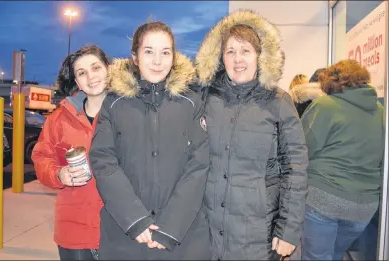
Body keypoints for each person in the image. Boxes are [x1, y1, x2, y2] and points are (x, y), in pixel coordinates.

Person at [88, 21, 210, 260]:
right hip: (126, 235)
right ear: (135, 56)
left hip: (182, 238)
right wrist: (135, 219)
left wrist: (172, 226)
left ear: (173, 57)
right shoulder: (114, 103)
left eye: (165, 52)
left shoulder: (191, 103)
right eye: (149, 51)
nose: (157, 61)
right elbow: (104, 161)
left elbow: (199, 166)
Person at [195, 9, 308, 260]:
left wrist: (288, 229)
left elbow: (295, 168)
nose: (238, 59)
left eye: (245, 50)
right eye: (230, 51)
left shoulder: (278, 102)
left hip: (257, 234)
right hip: (209, 230)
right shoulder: (206, 97)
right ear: (219, 57)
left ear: (259, 56)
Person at [300, 59, 384, 260]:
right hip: (364, 206)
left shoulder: (325, 105)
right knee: (335, 254)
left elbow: (301, 149)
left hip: (323, 199)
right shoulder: (381, 112)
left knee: (317, 257)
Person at [32, 45, 110, 260]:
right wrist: (59, 174)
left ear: (108, 70)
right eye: (81, 73)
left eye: (96, 68)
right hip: (75, 230)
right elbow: (41, 157)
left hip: (120, 229)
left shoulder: (128, 113)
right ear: (77, 82)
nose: (90, 77)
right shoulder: (59, 118)